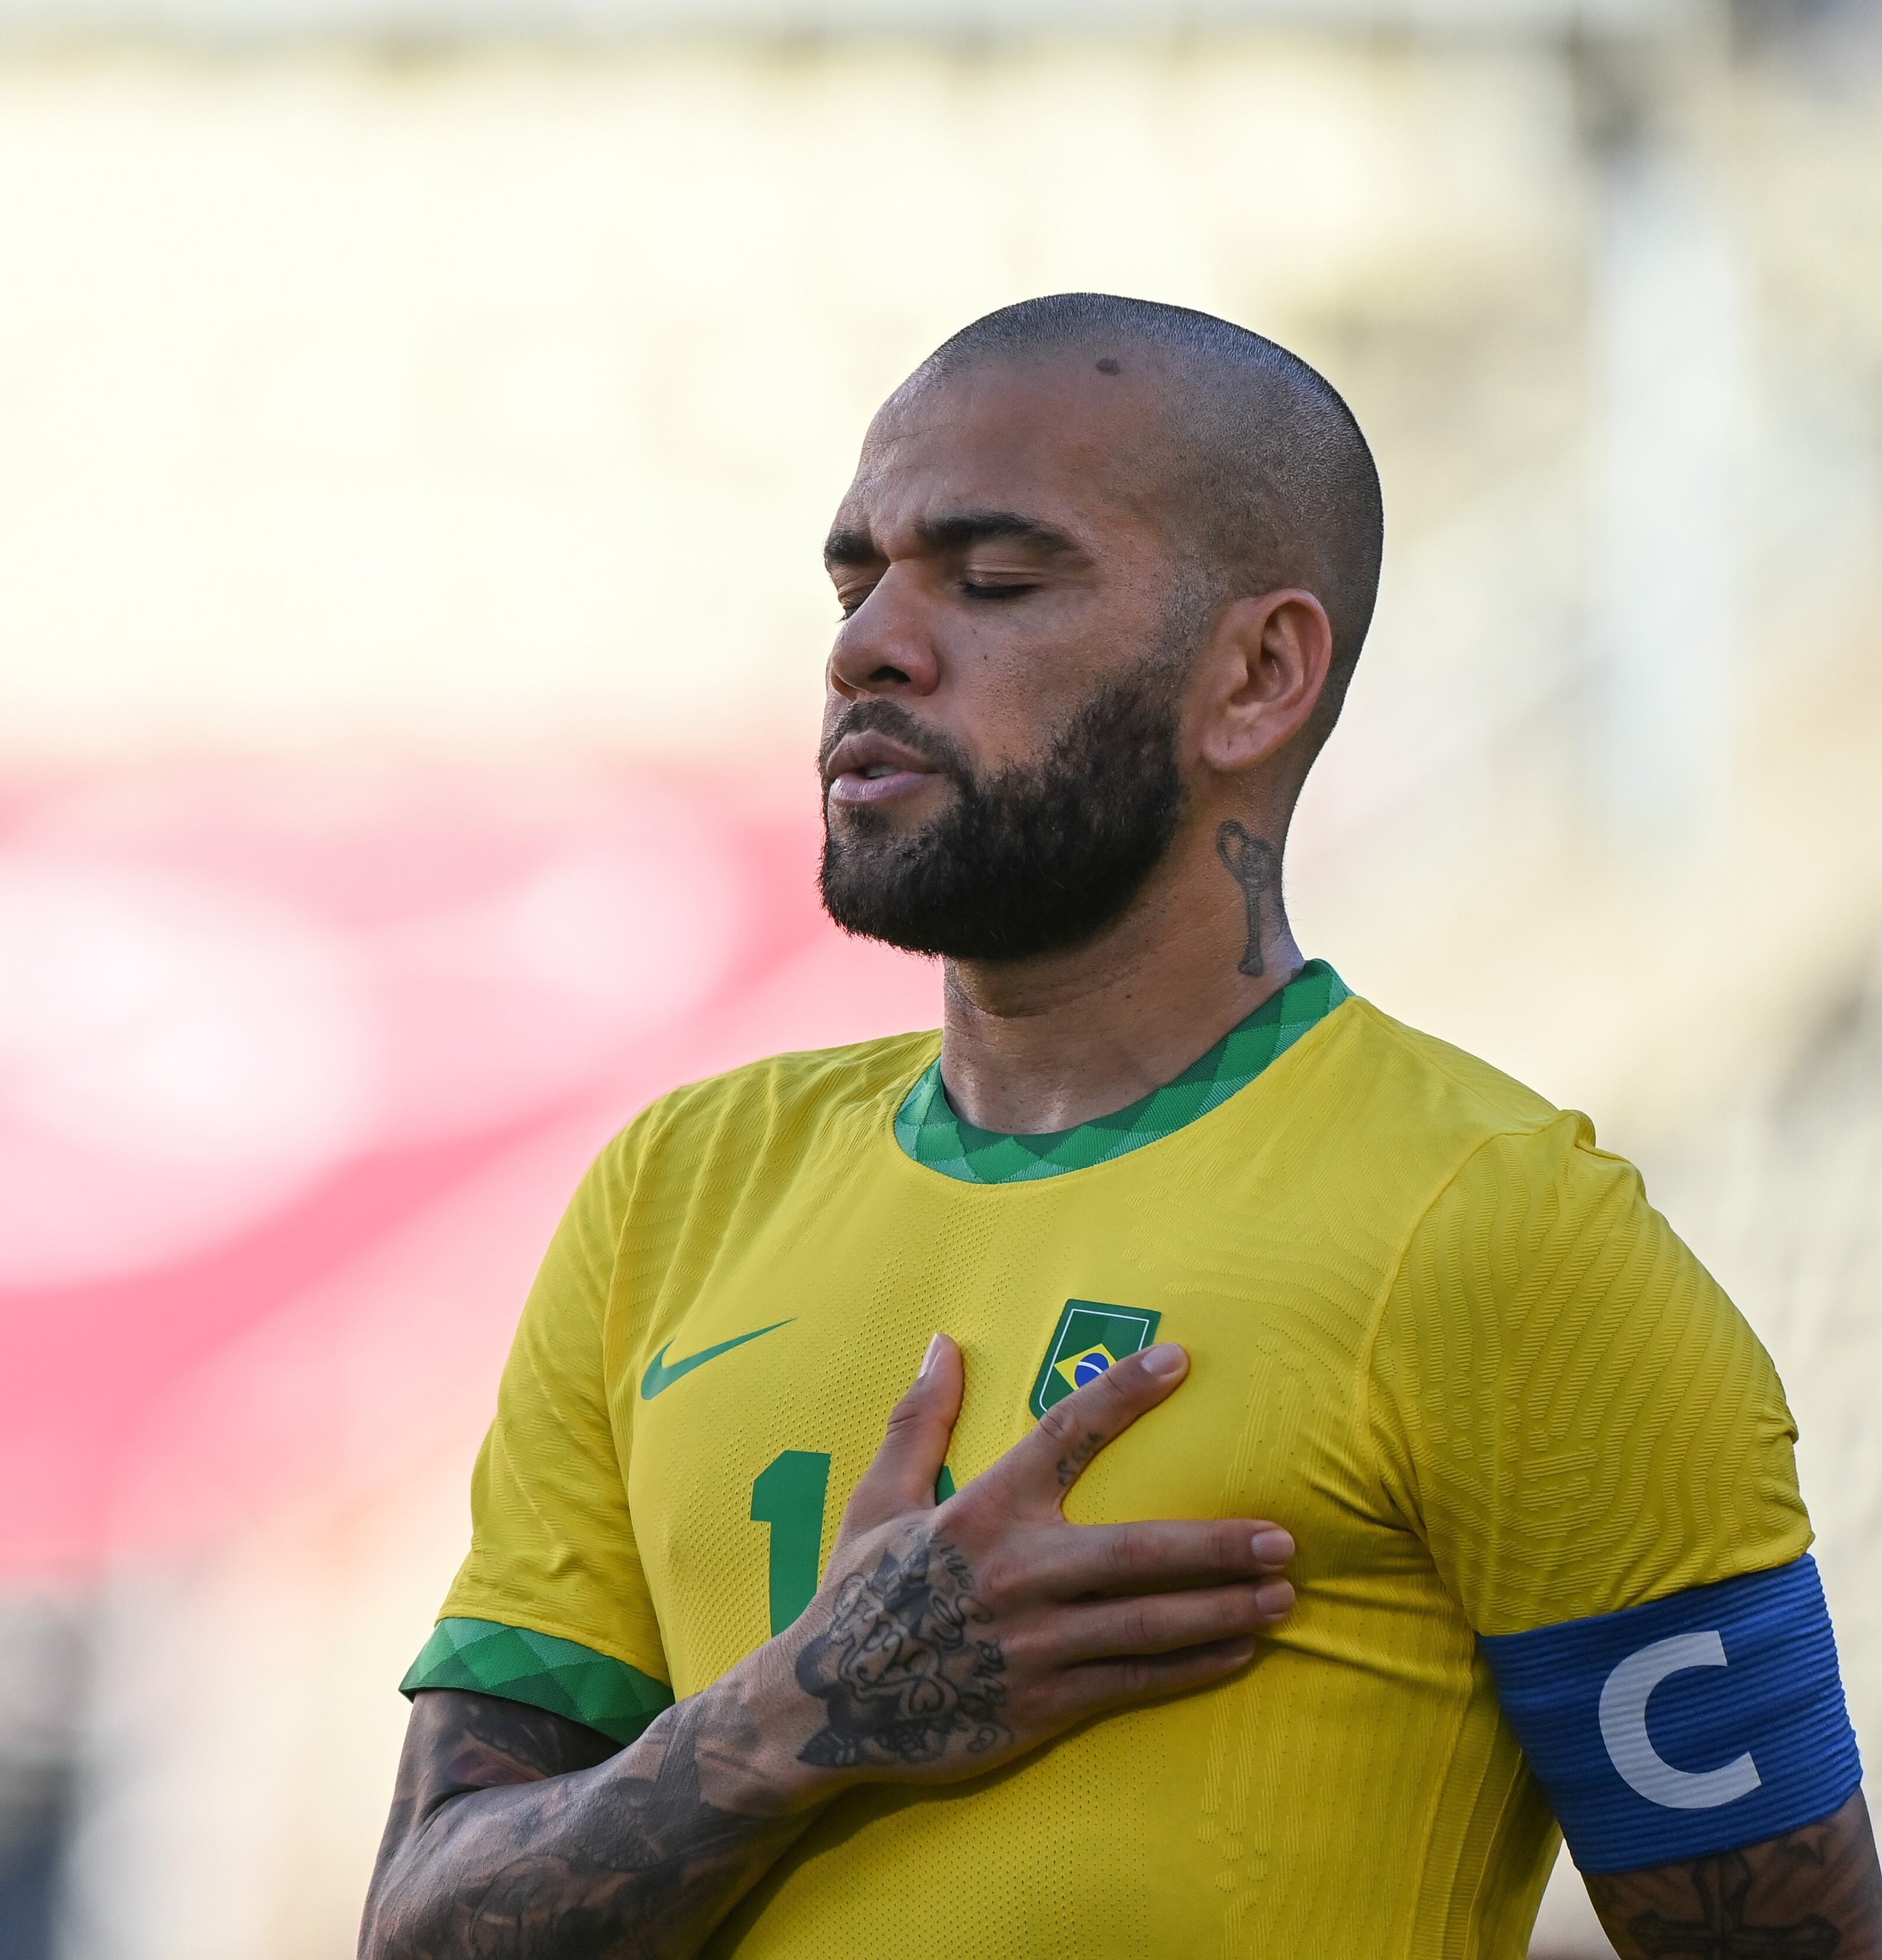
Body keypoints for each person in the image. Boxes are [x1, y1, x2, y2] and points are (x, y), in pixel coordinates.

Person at [357, 293, 1876, 1958]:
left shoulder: (1502, 1239)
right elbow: (423, 1931)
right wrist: (807, 1710)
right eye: (858, 577)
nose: (871, 644)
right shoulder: (674, 1192)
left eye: (994, 581)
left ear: (1257, 677)